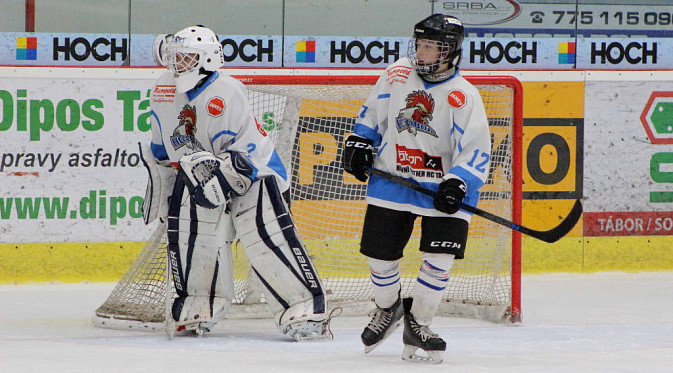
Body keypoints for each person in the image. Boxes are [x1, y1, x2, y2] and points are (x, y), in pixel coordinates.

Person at [139, 25, 332, 340]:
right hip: (202, 175)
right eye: (175, 57)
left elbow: (245, 157)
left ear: (208, 59)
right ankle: (199, 303)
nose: (177, 64)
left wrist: (220, 182)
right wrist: (164, 186)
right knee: (194, 233)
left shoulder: (226, 91)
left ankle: (305, 306)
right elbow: (162, 150)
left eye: (186, 57)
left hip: (255, 175)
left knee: (262, 235)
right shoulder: (163, 90)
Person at [342, 14, 491, 364]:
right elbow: (372, 115)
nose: (421, 53)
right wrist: (359, 141)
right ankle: (388, 309)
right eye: (419, 45)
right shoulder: (397, 74)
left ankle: (419, 324)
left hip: (443, 189)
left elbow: (476, 148)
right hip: (392, 178)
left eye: (431, 47)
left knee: (438, 259)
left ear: (450, 52)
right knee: (379, 256)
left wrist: (459, 182)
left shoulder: (463, 95)